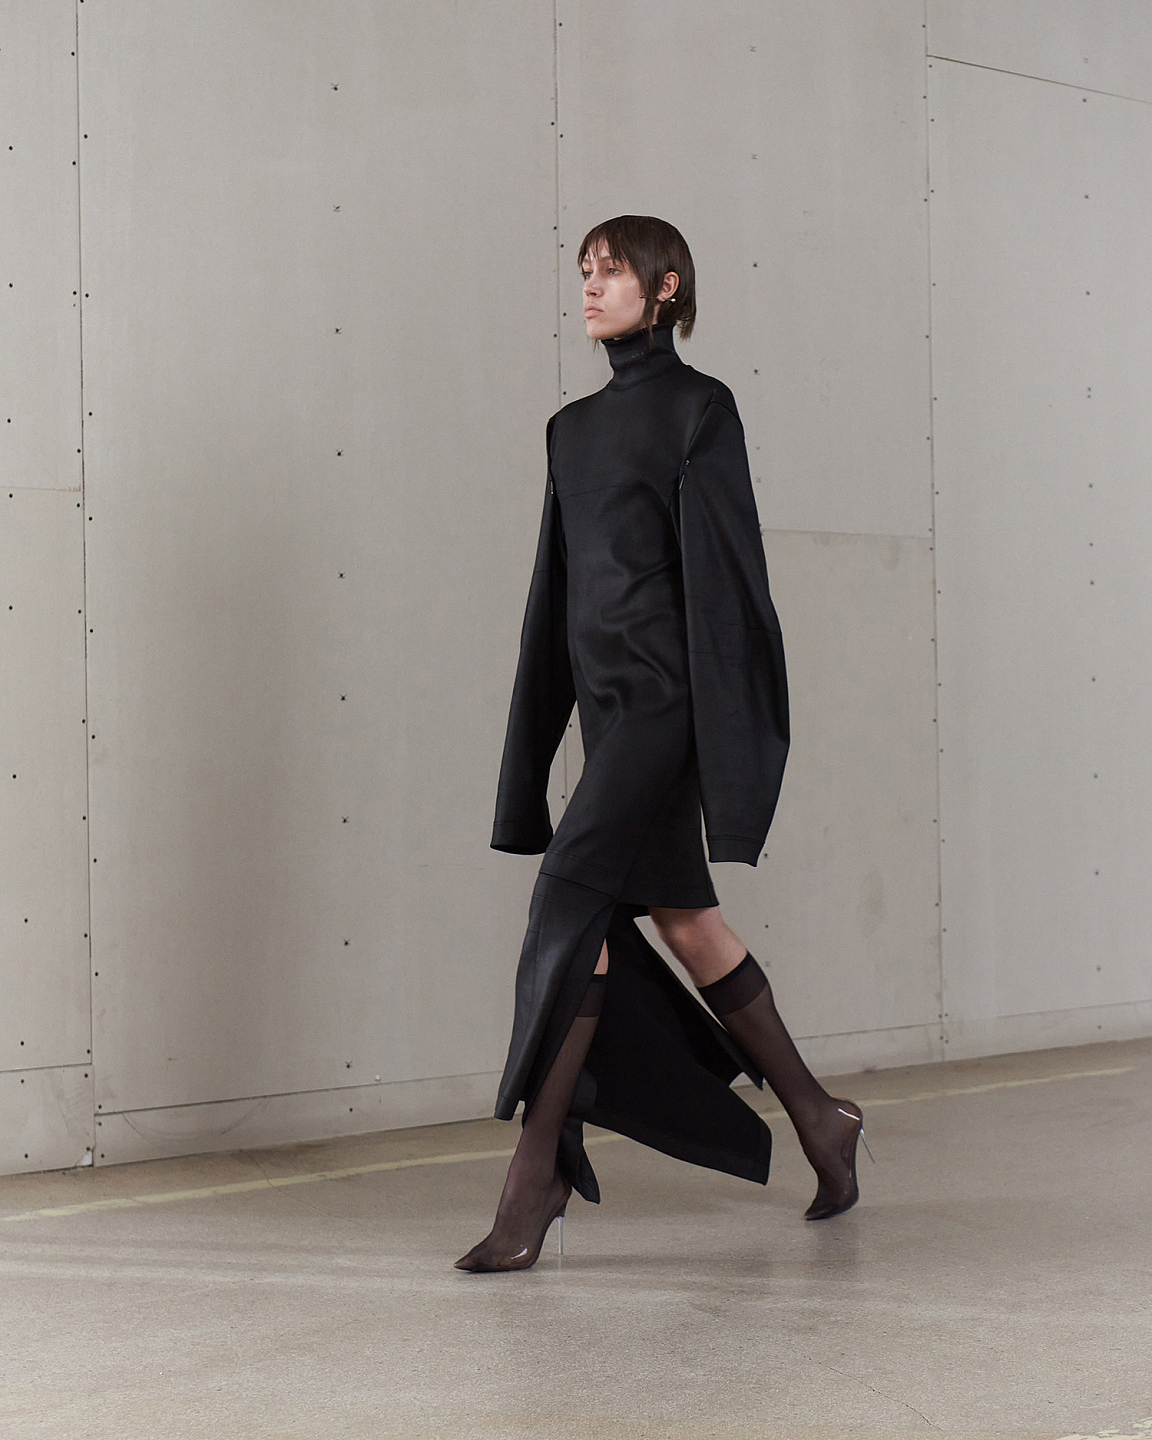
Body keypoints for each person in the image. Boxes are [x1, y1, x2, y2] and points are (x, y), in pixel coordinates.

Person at [455, 215, 865, 1274]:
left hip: (669, 708)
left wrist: (724, 732)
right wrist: (539, 742)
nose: (591, 288)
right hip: (608, 714)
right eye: (583, 272)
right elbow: (558, 596)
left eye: (612, 272)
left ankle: (536, 1175)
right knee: (684, 918)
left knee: (567, 903)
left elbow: (728, 579)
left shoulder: (700, 409)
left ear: (668, 287)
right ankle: (821, 1119)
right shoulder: (570, 430)